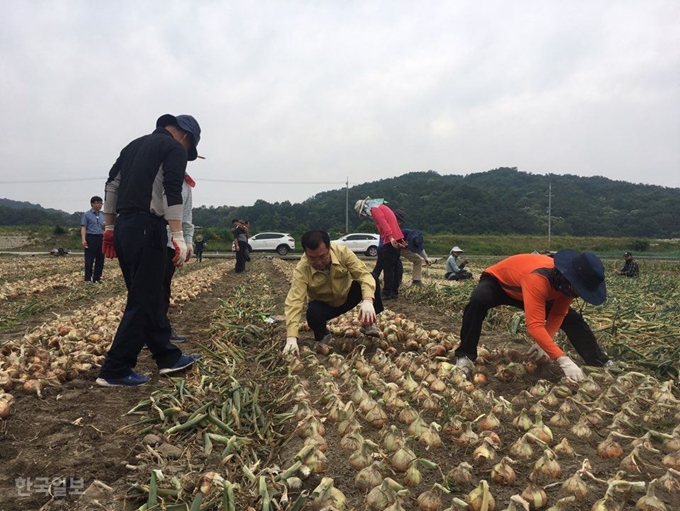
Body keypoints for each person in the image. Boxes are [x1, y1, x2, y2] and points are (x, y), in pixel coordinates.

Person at [96, 113, 202, 387]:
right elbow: (171, 190)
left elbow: (112, 185)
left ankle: (167, 357)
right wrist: (178, 234)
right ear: (186, 137)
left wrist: (109, 227)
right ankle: (115, 368)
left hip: (124, 227)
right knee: (143, 300)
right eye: (189, 149)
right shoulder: (173, 148)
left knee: (148, 296)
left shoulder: (132, 146)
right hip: (148, 228)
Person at [453, 250, 611, 382]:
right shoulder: (540, 277)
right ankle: (465, 356)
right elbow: (534, 326)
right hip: (500, 283)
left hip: (530, 290)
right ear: (569, 279)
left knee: (573, 319)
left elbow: (559, 313)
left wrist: (544, 341)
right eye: (578, 290)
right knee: (478, 301)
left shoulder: (568, 286)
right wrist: (562, 359)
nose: (578, 294)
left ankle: (599, 361)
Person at [283, 230, 384, 355]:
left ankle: (369, 323)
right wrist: (291, 338)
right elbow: (294, 301)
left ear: (329, 248)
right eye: (312, 258)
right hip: (326, 306)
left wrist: (368, 300)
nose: (319, 262)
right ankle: (323, 337)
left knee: (372, 277)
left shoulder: (343, 253)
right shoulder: (302, 269)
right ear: (305, 253)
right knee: (313, 312)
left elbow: (363, 275)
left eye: (322, 256)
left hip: (347, 296)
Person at [163, 172, 196, 343]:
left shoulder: (186, 184)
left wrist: (187, 240)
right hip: (150, 239)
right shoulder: (154, 173)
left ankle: (160, 327)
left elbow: (186, 214)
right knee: (147, 290)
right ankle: (150, 330)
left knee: (164, 288)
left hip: (171, 244)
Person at [355, 197, 406, 300]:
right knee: (395, 267)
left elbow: (384, 224)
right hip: (397, 237)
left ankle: (387, 292)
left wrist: (390, 237)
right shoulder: (381, 207)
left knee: (388, 268)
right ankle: (394, 292)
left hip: (390, 240)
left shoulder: (374, 209)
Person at [80, 196, 106, 283]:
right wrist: (83, 239)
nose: (100, 205)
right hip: (91, 237)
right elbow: (84, 227)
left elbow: (104, 228)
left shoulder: (102, 215)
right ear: (92, 204)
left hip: (101, 238)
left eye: (101, 203)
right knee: (89, 259)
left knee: (100, 259)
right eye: (98, 203)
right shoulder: (87, 214)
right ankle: (87, 279)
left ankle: (97, 278)